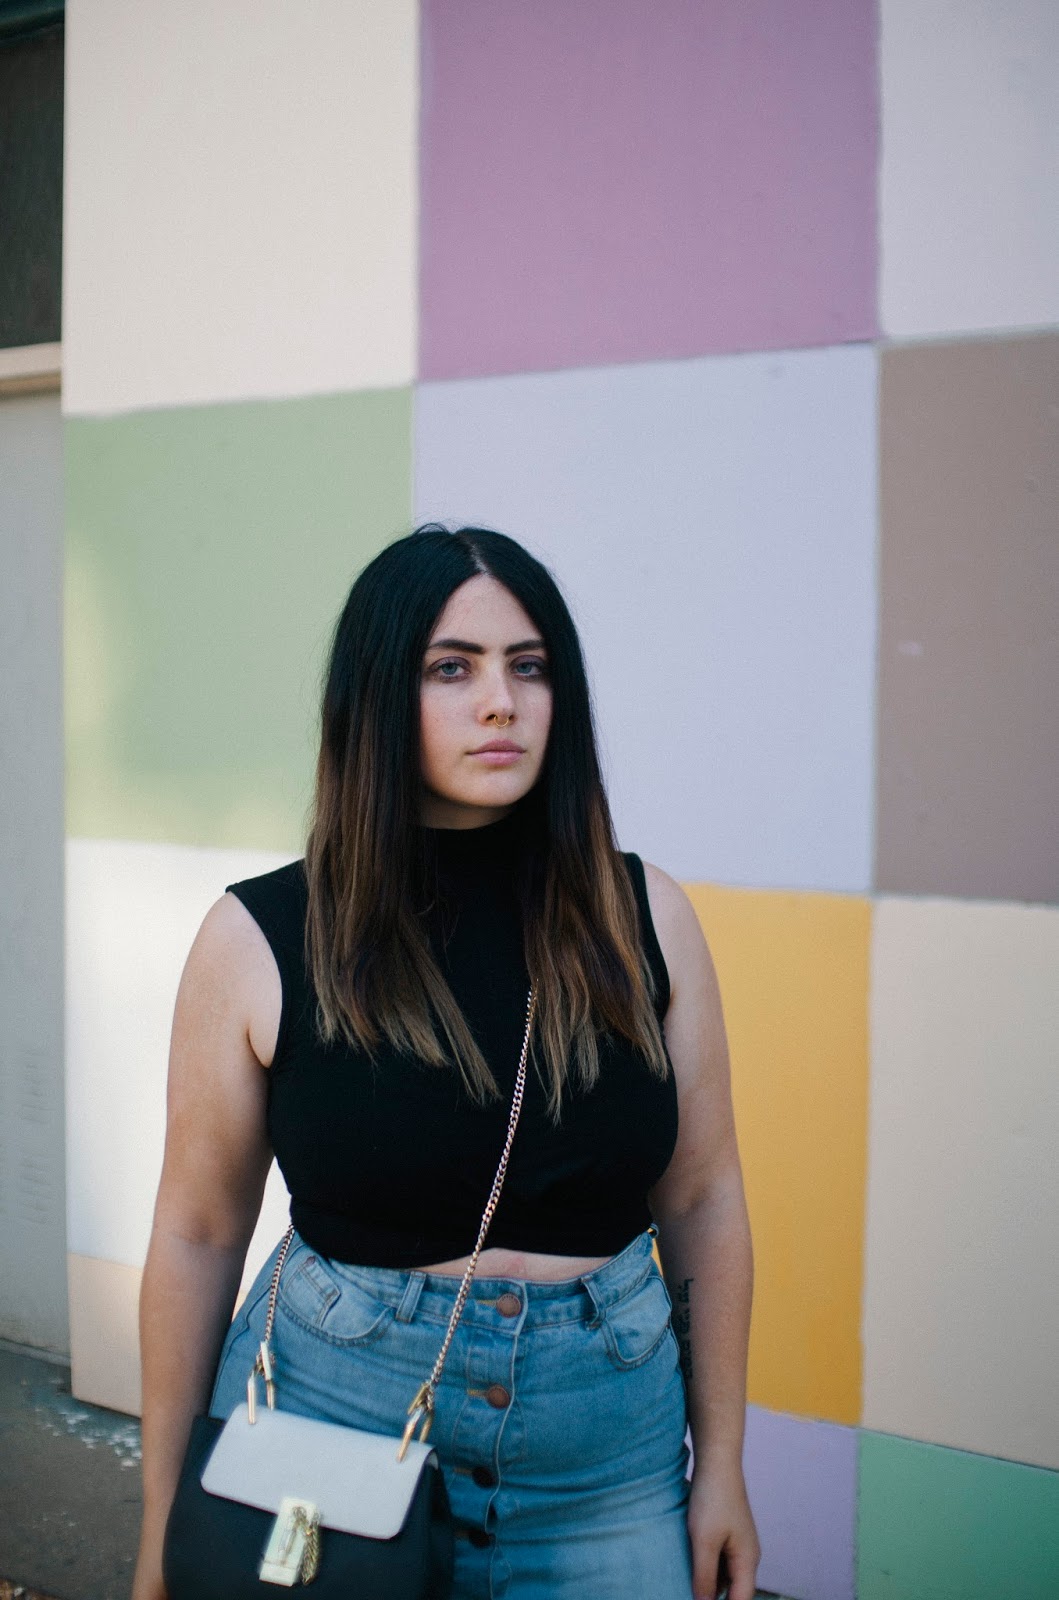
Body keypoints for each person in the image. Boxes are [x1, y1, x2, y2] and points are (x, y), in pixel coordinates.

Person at [132, 523, 761, 1600]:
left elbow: (703, 1197)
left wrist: (726, 1470)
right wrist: (159, 1530)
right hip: (324, 1438)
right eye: (450, 668)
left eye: (528, 665)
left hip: (603, 1471)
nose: (501, 702)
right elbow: (196, 1231)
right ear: (377, 697)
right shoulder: (260, 937)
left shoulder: (644, 915)